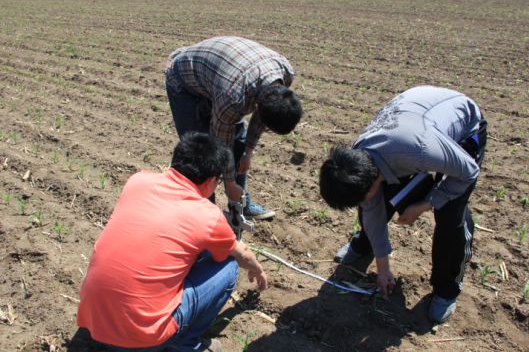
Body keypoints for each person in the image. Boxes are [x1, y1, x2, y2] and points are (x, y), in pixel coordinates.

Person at [77, 132, 268, 352]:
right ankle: (184, 343)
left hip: (94, 324)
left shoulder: (138, 180)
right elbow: (241, 252)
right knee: (229, 266)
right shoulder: (207, 214)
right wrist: (257, 268)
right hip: (142, 341)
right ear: (210, 182)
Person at [319, 86, 487, 323]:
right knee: (372, 205)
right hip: (414, 124)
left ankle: (446, 290)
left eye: (365, 194)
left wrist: (423, 205)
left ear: (372, 184)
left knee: (450, 212)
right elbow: (372, 208)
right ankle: (364, 245)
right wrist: (383, 267)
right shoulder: (358, 158)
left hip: (461, 125)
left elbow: (469, 172)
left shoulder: (421, 150)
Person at [165, 36, 302, 220]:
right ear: (256, 107)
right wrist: (230, 185)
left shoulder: (285, 73)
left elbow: (258, 121)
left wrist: (247, 153)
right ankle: (206, 216)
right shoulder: (233, 98)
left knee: (238, 142)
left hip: (221, 76)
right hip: (185, 82)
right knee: (201, 154)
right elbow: (220, 144)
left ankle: (240, 206)